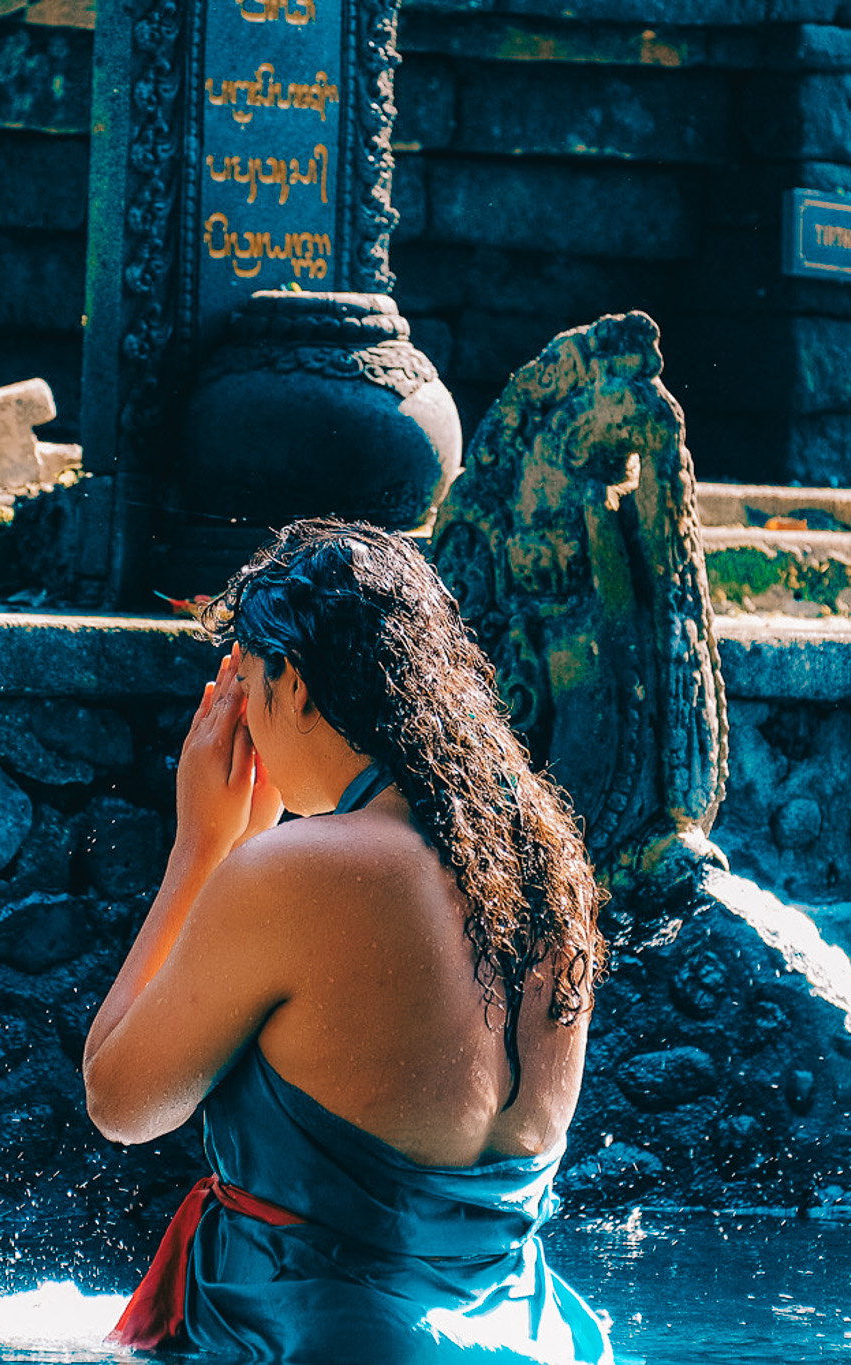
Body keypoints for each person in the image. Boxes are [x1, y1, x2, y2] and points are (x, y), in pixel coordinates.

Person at [81, 518, 614, 1363]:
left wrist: (200, 848)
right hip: (544, 1337)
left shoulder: (293, 872)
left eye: (245, 685)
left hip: (329, 1342)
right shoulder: (545, 870)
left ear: (293, 683)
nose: (241, 722)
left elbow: (120, 1101)